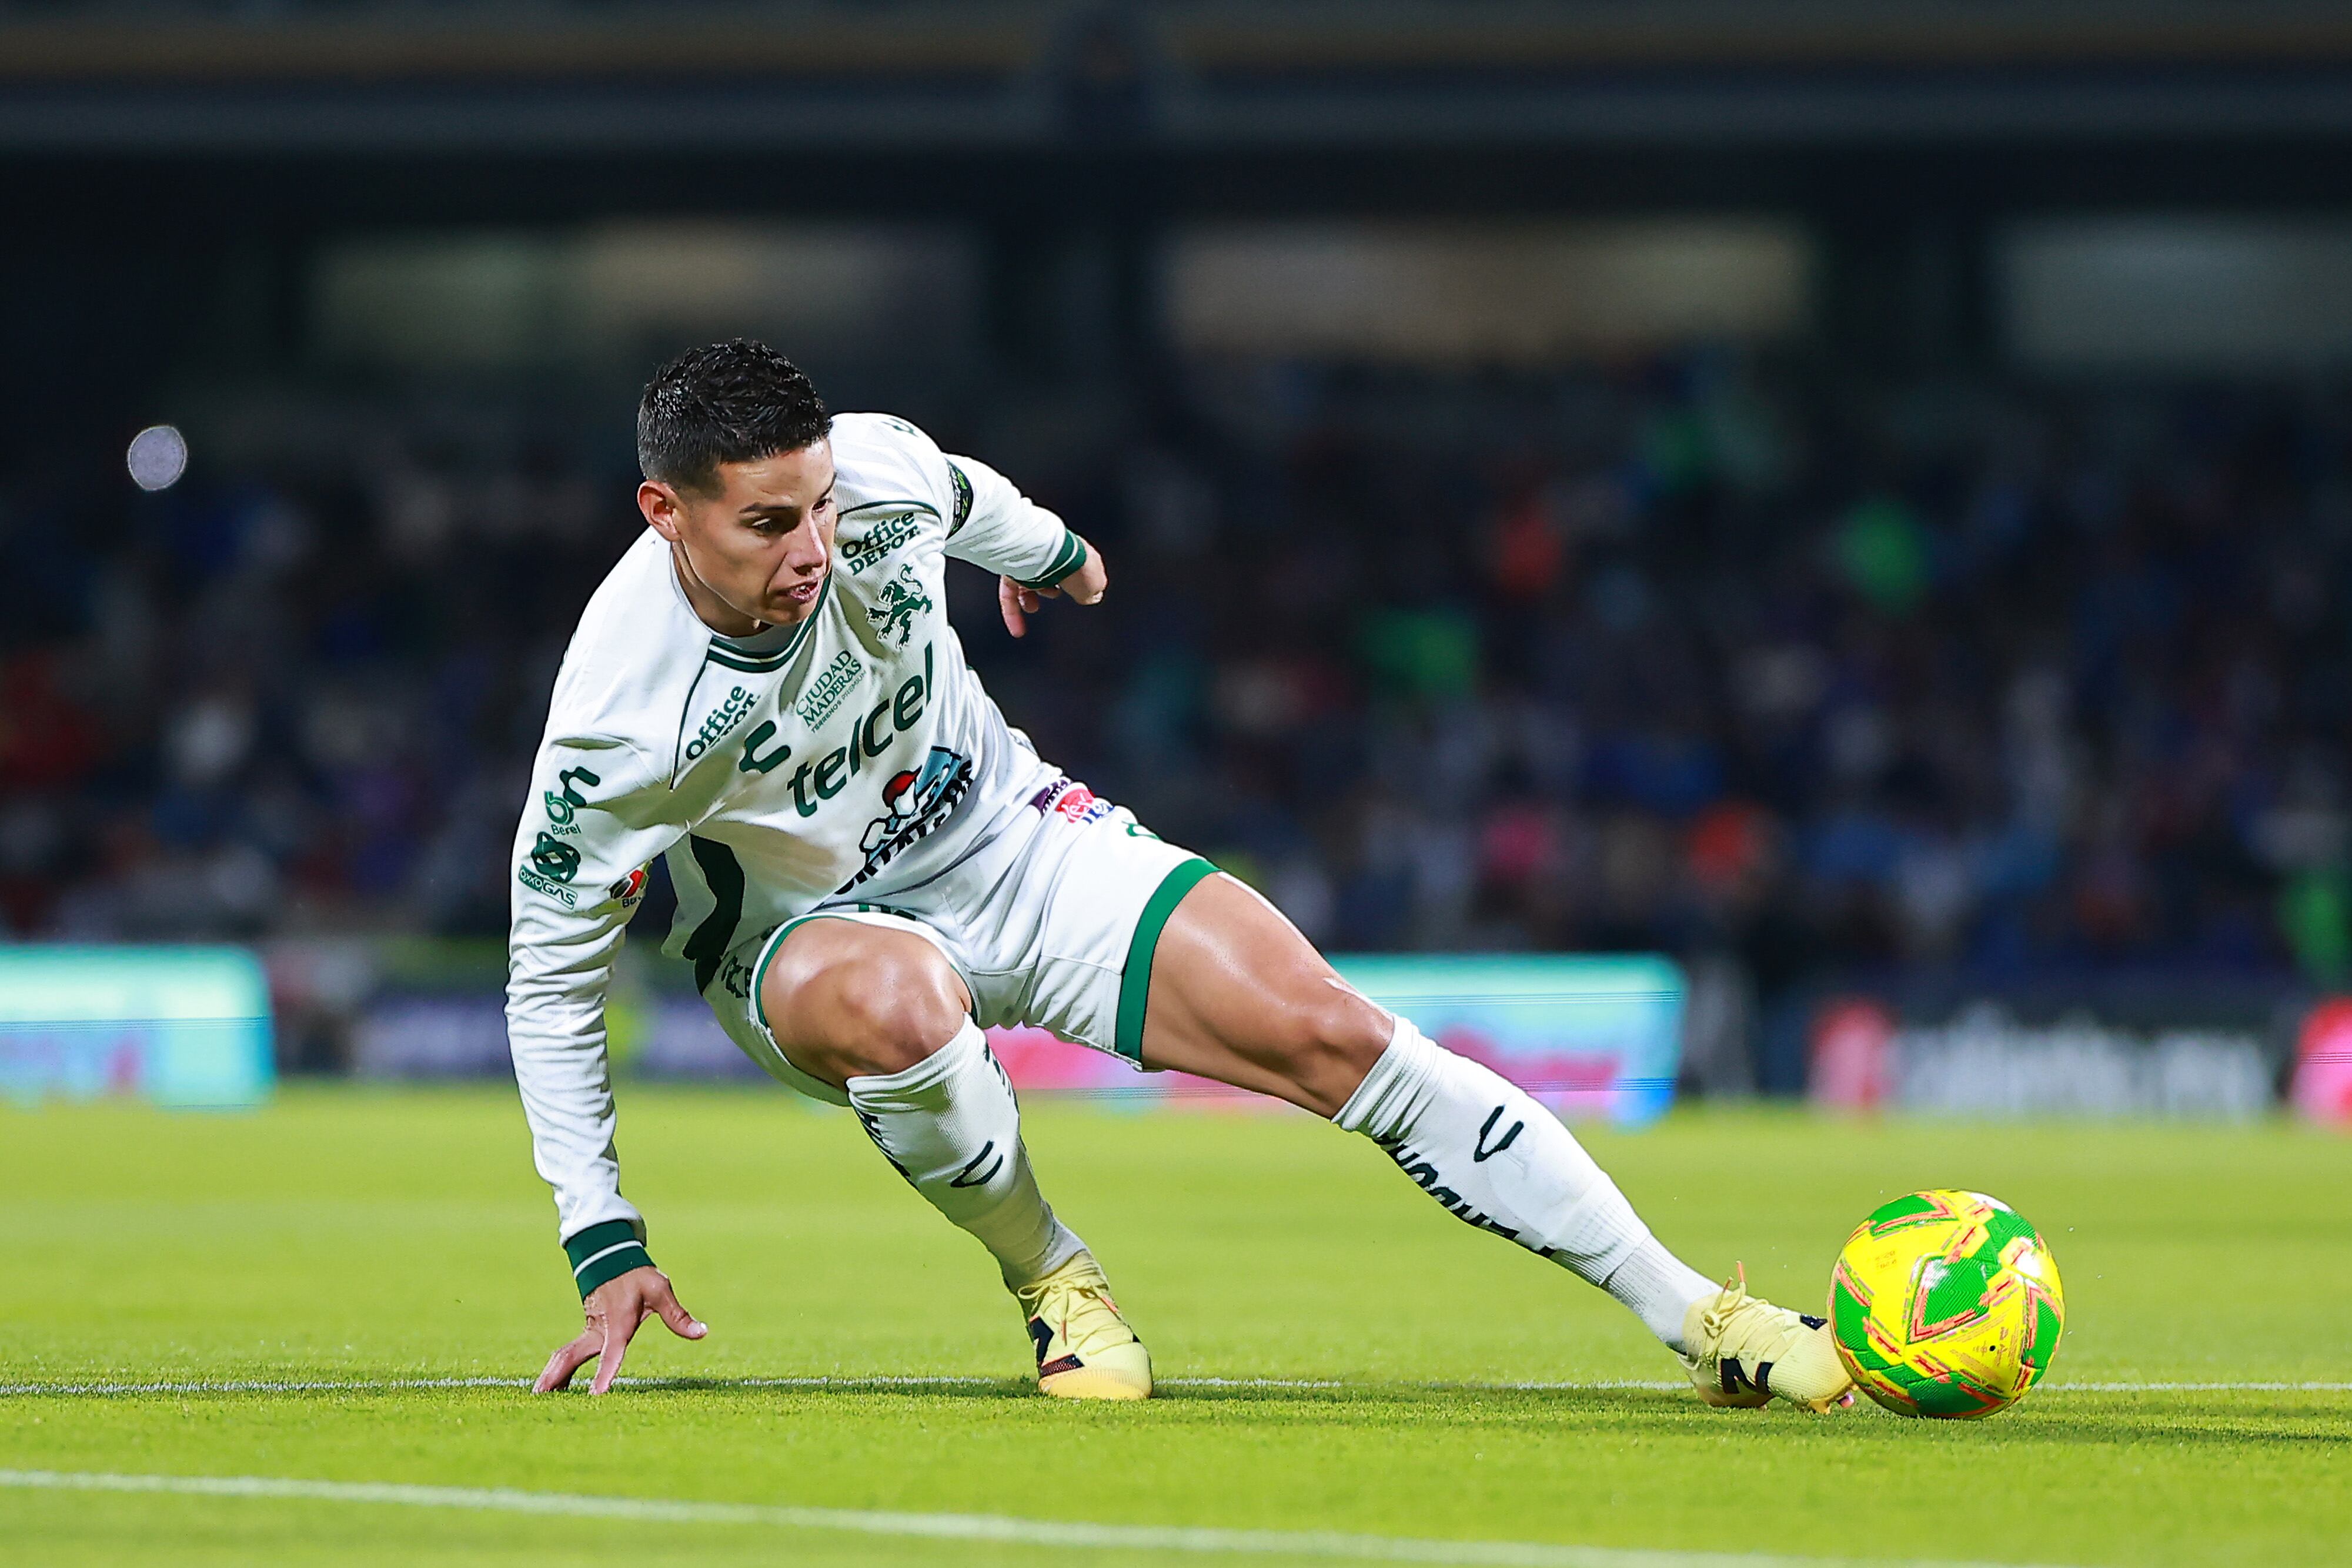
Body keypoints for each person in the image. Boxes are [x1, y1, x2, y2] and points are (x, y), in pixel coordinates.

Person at [506, 338, 1853, 1410]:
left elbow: (969, 496)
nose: (811, 548)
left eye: (822, 507)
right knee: (905, 1008)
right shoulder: (618, 728)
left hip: (1012, 836)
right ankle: (1054, 1282)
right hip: (805, 938)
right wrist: (604, 1237)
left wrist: (1056, 556)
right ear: (663, 511)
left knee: (1332, 1030)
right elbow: (549, 985)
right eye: (766, 524)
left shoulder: (872, 477)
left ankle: (1697, 1314)